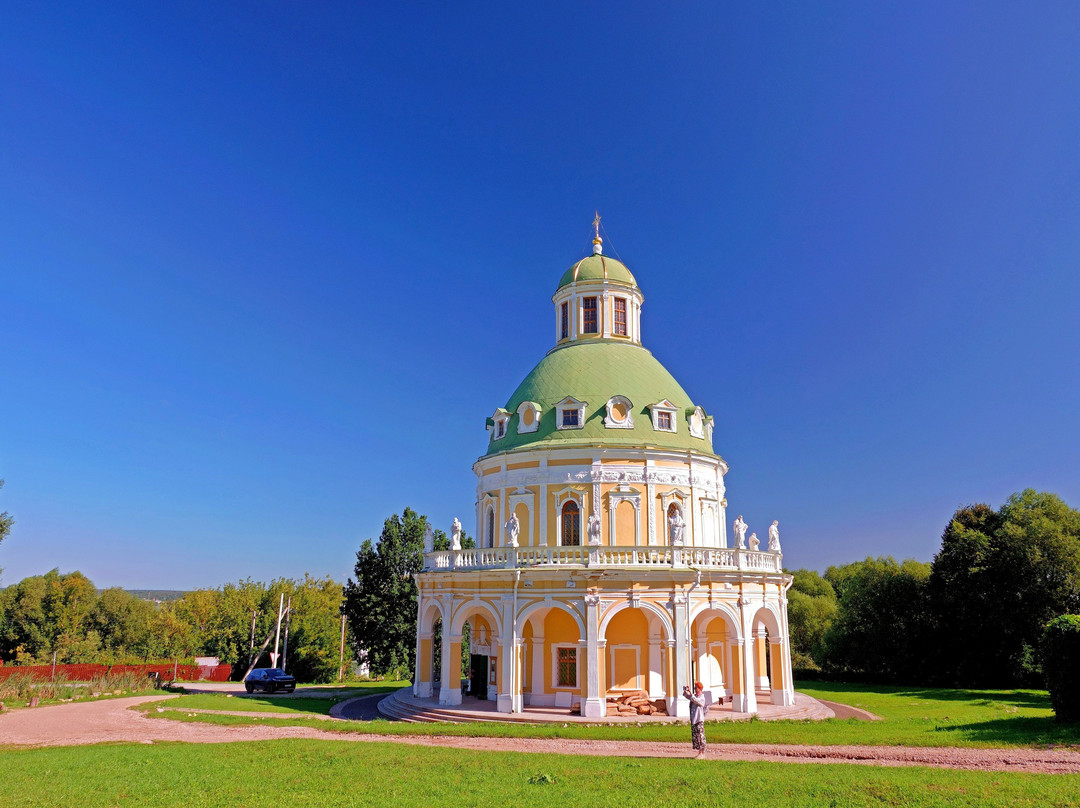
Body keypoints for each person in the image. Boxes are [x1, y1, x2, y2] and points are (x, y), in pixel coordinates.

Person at [683, 681, 707, 756]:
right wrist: (685, 692)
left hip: (699, 719)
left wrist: (691, 693)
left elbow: (697, 701)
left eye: (696, 687)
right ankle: (699, 752)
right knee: (696, 737)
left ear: (700, 689)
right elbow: (689, 697)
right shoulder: (695, 696)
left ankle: (702, 752)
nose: (695, 689)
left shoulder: (701, 697)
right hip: (694, 719)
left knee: (700, 736)